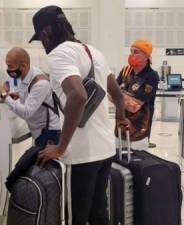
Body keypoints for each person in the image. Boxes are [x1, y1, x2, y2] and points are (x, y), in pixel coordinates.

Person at [29, 5, 128, 225]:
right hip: (105, 149)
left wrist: (61, 147)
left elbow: (78, 96)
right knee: (98, 213)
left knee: (77, 217)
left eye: (40, 38)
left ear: (46, 32)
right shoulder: (95, 52)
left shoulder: (59, 54)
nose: (43, 44)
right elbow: (118, 96)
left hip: (83, 153)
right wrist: (121, 119)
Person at [0, 47, 61, 147]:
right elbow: (28, 90)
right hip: (40, 131)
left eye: (10, 66)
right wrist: (18, 94)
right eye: (7, 66)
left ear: (23, 66)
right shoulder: (28, 74)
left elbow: (26, 112)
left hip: (48, 133)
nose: (8, 70)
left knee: (44, 163)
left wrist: (4, 96)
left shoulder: (40, 83)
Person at [116, 39, 160, 149]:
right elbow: (111, 92)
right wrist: (120, 96)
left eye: (136, 52)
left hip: (139, 129)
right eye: (131, 51)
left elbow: (134, 106)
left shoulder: (151, 76)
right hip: (120, 126)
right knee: (118, 160)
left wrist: (117, 96)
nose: (132, 55)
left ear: (146, 56)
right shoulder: (126, 70)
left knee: (137, 161)